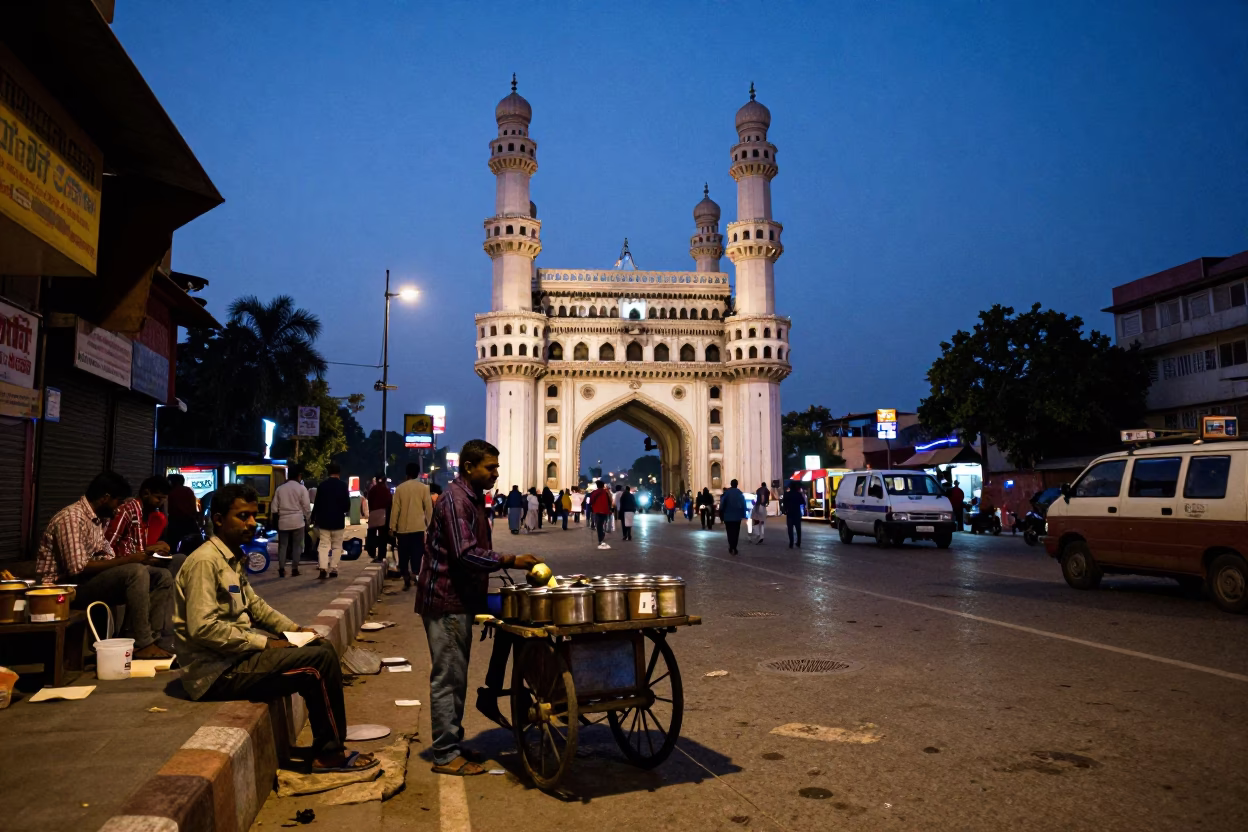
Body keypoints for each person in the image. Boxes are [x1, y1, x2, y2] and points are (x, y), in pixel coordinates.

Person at [174, 483, 377, 775]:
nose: (252, 523)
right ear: (218, 519)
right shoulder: (205, 562)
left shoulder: (229, 557)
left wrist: (295, 630)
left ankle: (327, 746)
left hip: (235, 659)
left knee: (319, 647)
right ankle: (329, 753)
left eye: (253, 516)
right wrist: (267, 645)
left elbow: (256, 607)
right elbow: (203, 629)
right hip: (217, 671)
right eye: (242, 516)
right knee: (317, 663)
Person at [416, 439, 542, 776]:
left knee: (455, 675)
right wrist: (511, 560)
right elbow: (465, 553)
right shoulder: (457, 500)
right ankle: (444, 753)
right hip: (447, 599)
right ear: (469, 467)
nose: (496, 474)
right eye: (490, 468)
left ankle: (451, 743)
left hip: (459, 598)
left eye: (497, 468)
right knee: (449, 677)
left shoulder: (470, 498)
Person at [37, 471, 173, 660]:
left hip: (89, 580)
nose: (119, 509)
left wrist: (131, 557)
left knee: (161, 576)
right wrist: (128, 560)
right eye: (118, 502)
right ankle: (142, 643)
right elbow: (77, 568)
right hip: (67, 589)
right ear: (105, 498)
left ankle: (148, 638)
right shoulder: (71, 518)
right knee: (136, 572)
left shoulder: (99, 519)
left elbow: (107, 553)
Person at [390, 462, 434, 591]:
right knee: (417, 552)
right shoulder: (424, 488)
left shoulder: (400, 488)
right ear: (417, 473)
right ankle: (415, 573)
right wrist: (430, 525)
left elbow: (395, 510)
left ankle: (405, 576)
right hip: (418, 528)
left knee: (403, 553)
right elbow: (428, 509)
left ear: (406, 473)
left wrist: (392, 527)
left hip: (403, 528)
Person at [311, 463, 350, 579]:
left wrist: (313, 518)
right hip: (338, 520)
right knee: (337, 546)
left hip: (324, 521)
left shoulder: (322, 486)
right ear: (339, 473)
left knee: (323, 545)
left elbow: (317, 504)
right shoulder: (343, 486)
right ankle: (333, 568)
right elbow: (347, 506)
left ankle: (323, 568)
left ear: (328, 473)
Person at [272, 465, 311, 577]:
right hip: (297, 521)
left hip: (283, 521)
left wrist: (276, 520)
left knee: (283, 545)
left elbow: (274, 508)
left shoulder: (280, 489)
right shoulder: (301, 488)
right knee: (297, 546)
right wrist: (307, 519)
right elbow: (307, 507)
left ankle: (281, 568)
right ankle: (295, 569)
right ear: (299, 476)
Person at [164, 473, 202, 554]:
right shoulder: (188, 491)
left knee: (174, 551)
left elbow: (166, 510)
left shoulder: (170, 493)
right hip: (191, 525)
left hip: (175, 525)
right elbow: (193, 508)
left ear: (171, 482)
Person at [366, 473, 393, 562]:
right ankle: (381, 555)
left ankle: (372, 551)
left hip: (373, 514)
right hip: (384, 516)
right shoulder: (387, 490)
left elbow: (369, 502)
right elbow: (390, 504)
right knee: (383, 536)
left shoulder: (372, 490)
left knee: (371, 534)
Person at [720, 479, 746, 555]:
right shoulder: (740, 494)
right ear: (737, 484)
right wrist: (743, 514)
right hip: (737, 517)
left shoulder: (727, 493)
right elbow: (743, 504)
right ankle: (734, 546)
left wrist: (722, 513)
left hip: (728, 517)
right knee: (736, 532)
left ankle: (731, 546)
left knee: (729, 532)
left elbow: (722, 504)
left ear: (731, 484)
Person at [781, 481, 807, 548]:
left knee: (790, 529)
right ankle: (798, 542)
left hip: (789, 513)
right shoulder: (798, 494)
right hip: (797, 513)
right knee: (798, 529)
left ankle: (791, 543)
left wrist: (785, 510)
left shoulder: (787, 494)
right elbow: (803, 502)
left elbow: (784, 504)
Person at [589, 480, 613, 549]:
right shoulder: (606, 492)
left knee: (598, 525)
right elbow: (610, 501)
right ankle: (602, 534)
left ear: (597, 486)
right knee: (602, 523)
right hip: (605, 510)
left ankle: (600, 538)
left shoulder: (595, 492)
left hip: (597, 510)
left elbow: (591, 501)